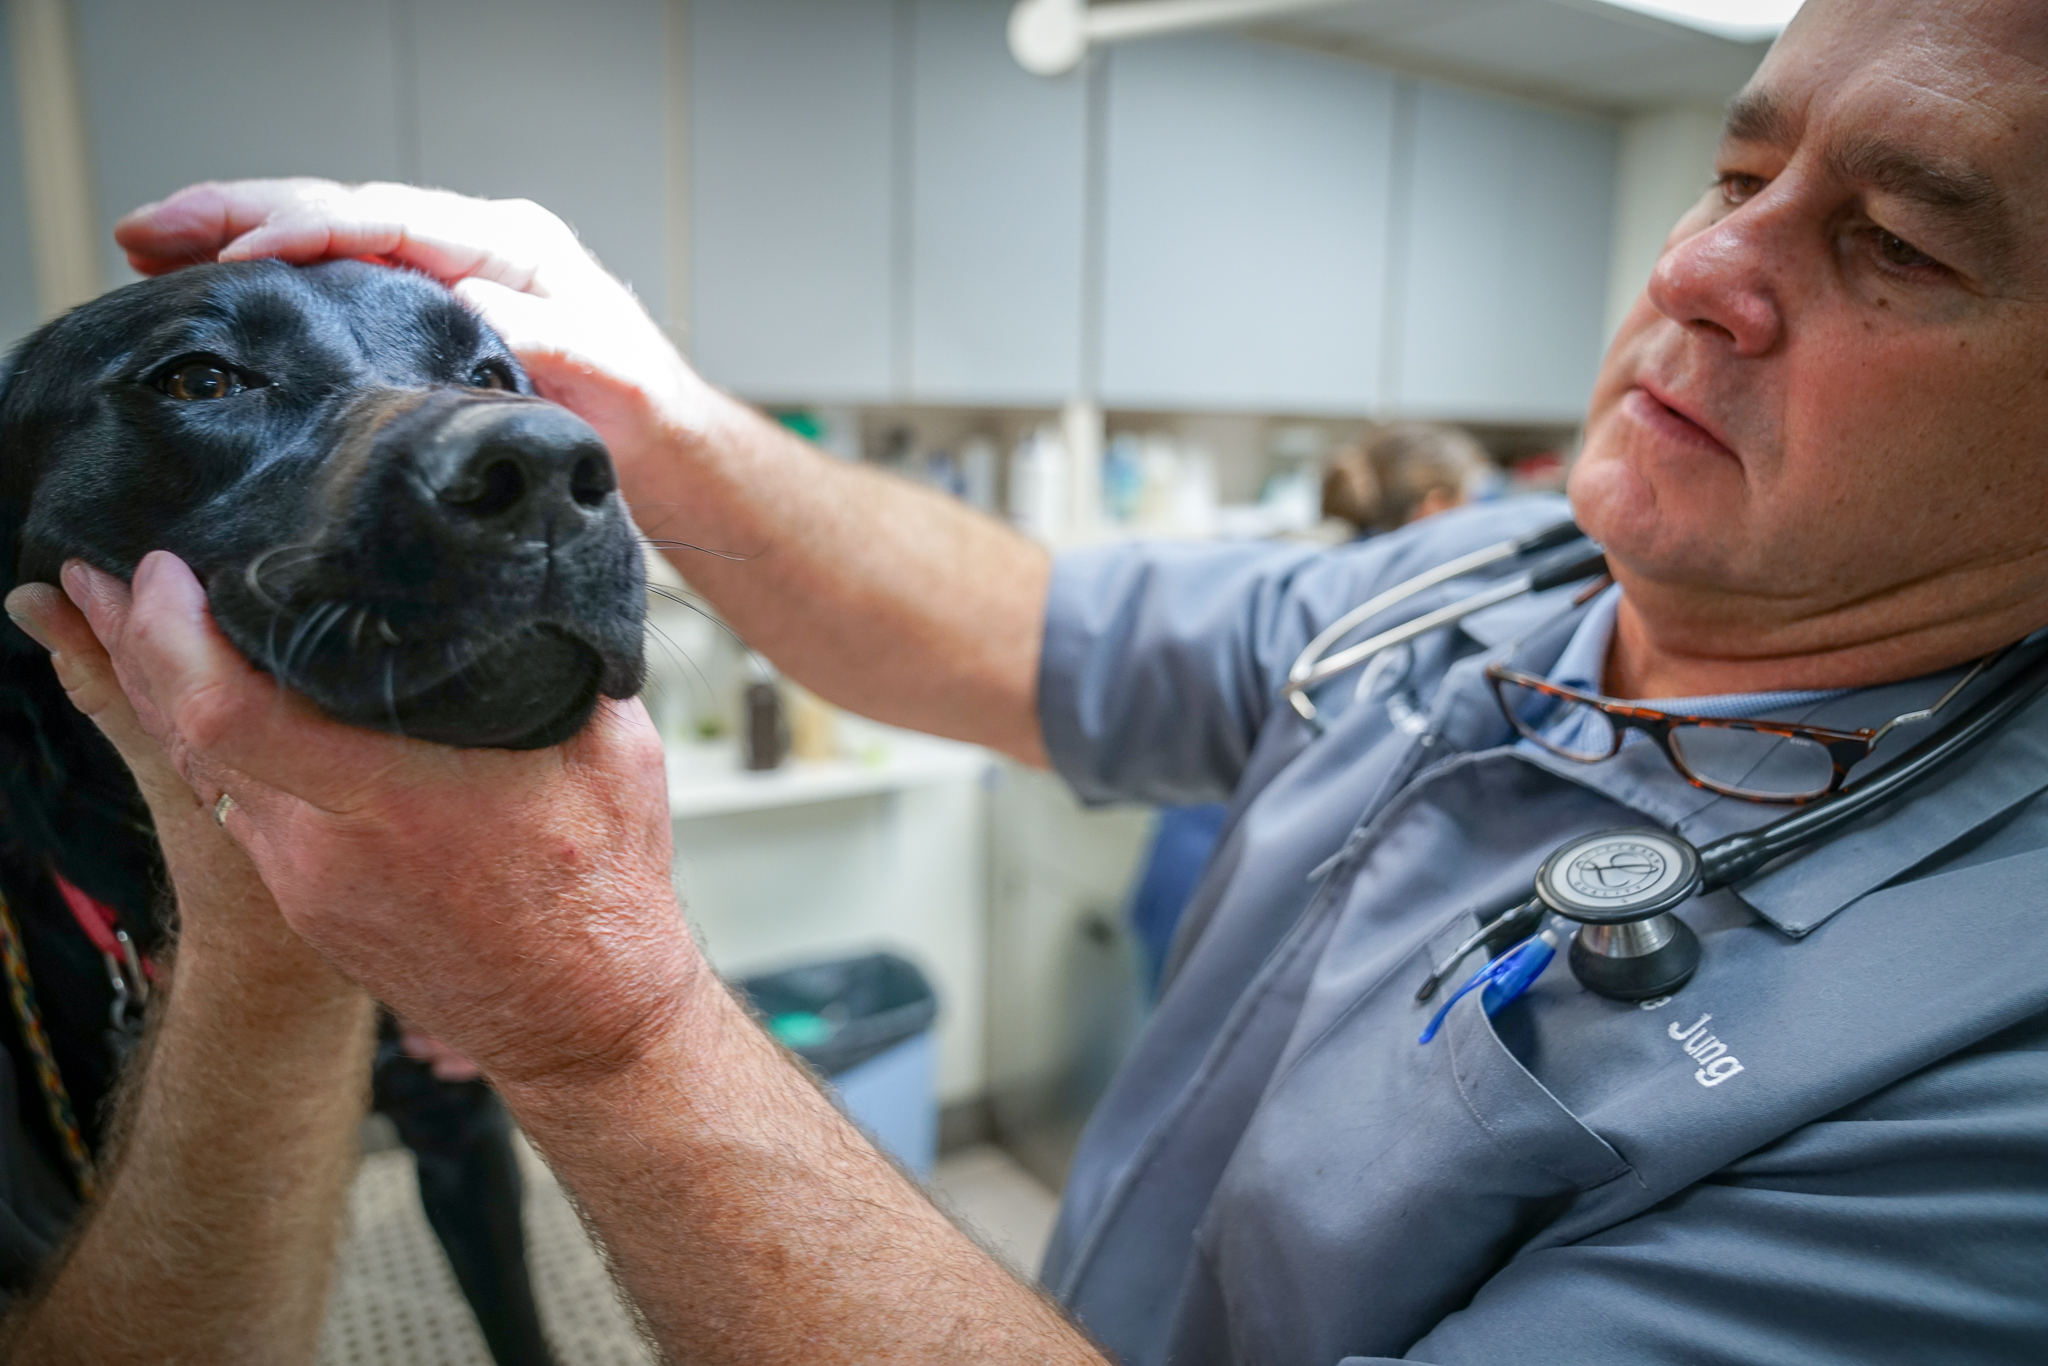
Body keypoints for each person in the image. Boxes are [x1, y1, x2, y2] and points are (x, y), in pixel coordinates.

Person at [9, 0, 2048, 1359]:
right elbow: (1024, 627)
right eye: (1736, 168)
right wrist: (673, 418)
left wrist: (602, 1018)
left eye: (1895, 242)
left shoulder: (1993, 1088)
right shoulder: (1487, 577)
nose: (1704, 266)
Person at [1320, 421, 1489, 536]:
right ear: (1435, 507)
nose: (1474, 509)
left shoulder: (1347, 566)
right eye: (1469, 496)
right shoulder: (1437, 584)